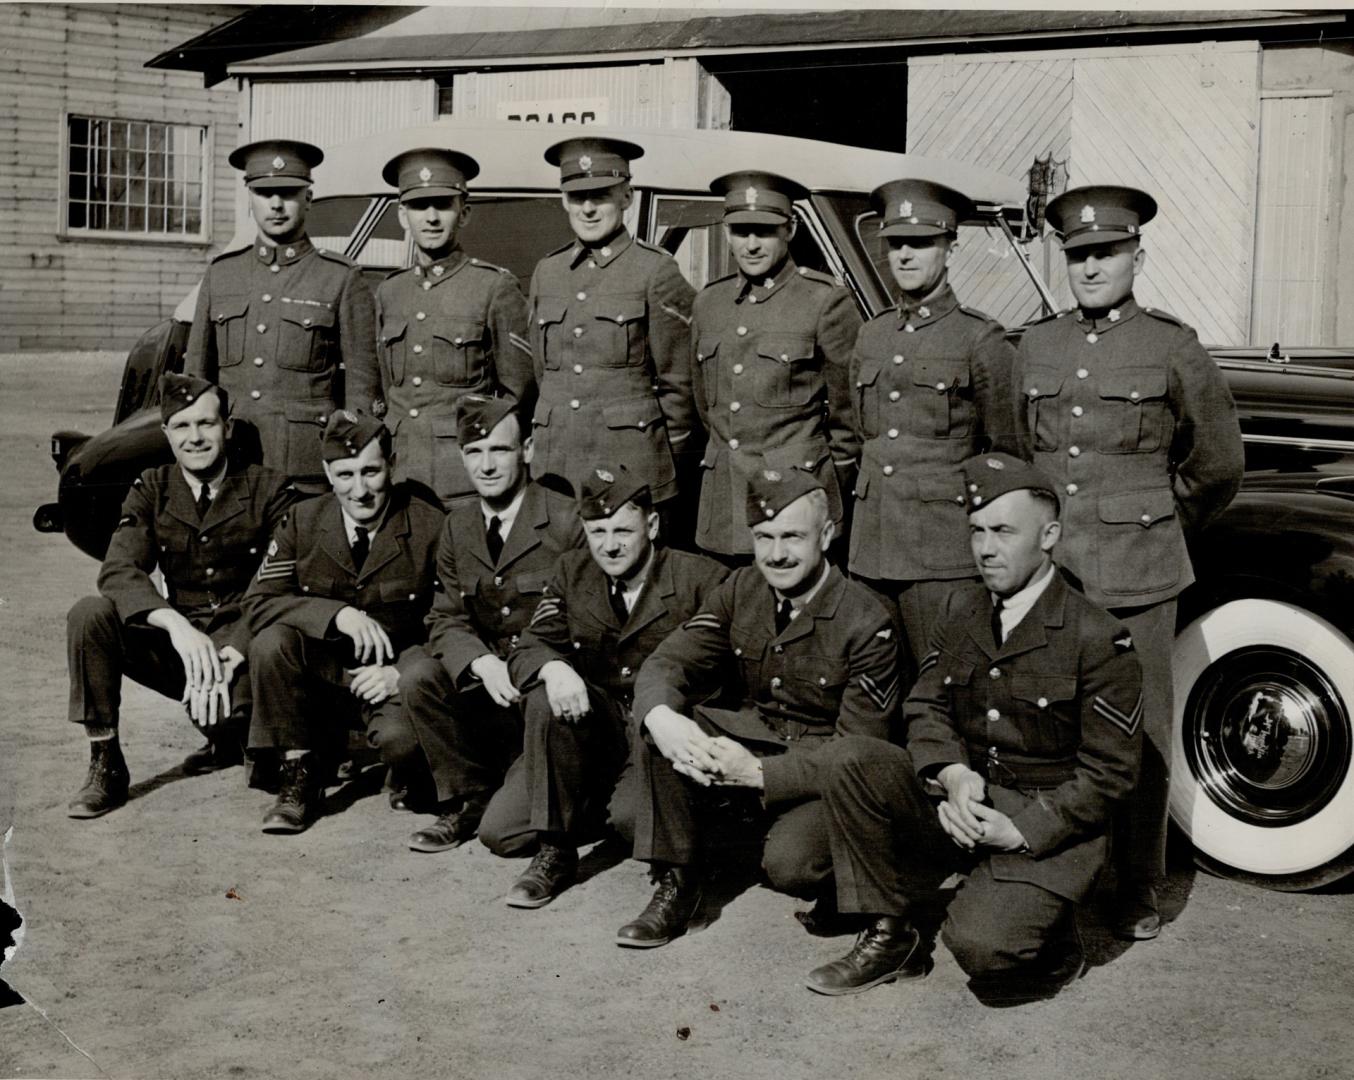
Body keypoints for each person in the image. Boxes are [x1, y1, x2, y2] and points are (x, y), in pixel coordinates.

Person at [804, 454, 1143, 1002]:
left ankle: (1055, 936)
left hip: (1044, 819)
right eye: (977, 531)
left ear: (1050, 535)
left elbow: (1112, 774)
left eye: (1004, 532)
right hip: (965, 801)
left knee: (986, 949)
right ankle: (891, 935)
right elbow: (926, 706)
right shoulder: (961, 606)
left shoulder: (1098, 637)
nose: (986, 549)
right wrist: (954, 773)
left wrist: (1023, 830)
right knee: (853, 759)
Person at [1012, 185, 1243, 939]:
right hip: (1054, 576)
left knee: (1137, 731)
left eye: (1106, 252)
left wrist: (1155, 523)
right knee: (1050, 728)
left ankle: (1141, 882)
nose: (1090, 266)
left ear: (1136, 256)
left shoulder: (1172, 346)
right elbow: (1019, 455)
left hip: (1139, 572)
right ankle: (1061, 870)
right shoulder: (1035, 346)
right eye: (1078, 254)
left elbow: (1217, 465)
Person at [617, 468, 898, 948]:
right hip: (756, 740)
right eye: (764, 537)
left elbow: (858, 751)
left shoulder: (867, 618)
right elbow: (667, 661)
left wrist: (759, 774)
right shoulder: (741, 588)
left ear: (827, 535)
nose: (776, 554)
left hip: (819, 773)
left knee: (791, 865)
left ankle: (816, 871)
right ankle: (680, 883)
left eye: (792, 536)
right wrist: (662, 720)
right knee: (659, 724)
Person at [480, 464, 728, 908]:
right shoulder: (572, 572)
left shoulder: (700, 578)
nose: (609, 546)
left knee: (633, 824)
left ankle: (598, 810)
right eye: (597, 532)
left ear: (651, 525)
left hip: (659, 739)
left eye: (622, 531)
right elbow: (529, 646)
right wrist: (555, 669)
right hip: (599, 731)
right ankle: (557, 847)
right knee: (502, 831)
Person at [64, 374, 297, 817]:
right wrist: (175, 626)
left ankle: (240, 737)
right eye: (183, 426)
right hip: (182, 650)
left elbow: (278, 584)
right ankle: (105, 762)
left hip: (243, 649)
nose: (195, 438)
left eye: (206, 424)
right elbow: (119, 570)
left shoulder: (268, 489)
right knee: (89, 615)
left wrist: (234, 650)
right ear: (166, 434)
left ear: (227, 427)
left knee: (249, 742)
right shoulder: (152, 487)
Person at [244, 410, 445, 834]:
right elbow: (259, 602)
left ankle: (394, 767)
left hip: (392, 673)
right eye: (345, 474)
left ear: (391, 464)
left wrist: (398, 673)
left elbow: (448, 618)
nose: (360, 489)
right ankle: (297, 778)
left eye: (371, 471)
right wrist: (337, 614)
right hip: (326, 676)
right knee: (270, 642)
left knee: (401, 744)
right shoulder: (303, 520)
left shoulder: (429, 524)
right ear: (326, 473)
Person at [399, 394, 583, 853]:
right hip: (494, 690)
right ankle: (468, 796)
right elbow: (444, 617)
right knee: (420, 674)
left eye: (499, 450)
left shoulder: (566, 520)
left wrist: (532, 665)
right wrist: (479, 662)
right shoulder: (458, 527)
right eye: (474, 453)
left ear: (528, 450)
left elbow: (588, 621)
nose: (486, 465)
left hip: (547, 693)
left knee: (504, 836)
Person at [848, 179, 1016, 678]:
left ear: (948, 245)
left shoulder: (979, 339)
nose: (904, 255)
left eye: (920, 243)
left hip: (942, 558)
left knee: (943, 690)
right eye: (896, 243)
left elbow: (1006, 452)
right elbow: (862, 434)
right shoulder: (871, 334)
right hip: (872, 550)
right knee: (872, 692)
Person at [184, 139, 380, 484]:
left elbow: (362, 387)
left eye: (288, 192)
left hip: (307, 467)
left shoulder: (340, 277)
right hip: (232, 462)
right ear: (250, 199)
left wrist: (347, 461)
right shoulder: (221, 274)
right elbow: (197, 380)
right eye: (264, 192)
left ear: (308, 198)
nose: (276, 204)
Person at [689, 171, 862, 561]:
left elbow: (849, 418)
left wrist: (825, 487)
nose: (751, 245)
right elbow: (704, 406)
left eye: (764, 231)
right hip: (724, 508)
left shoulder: (823, 301)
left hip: (795, 497)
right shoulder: (708, 303)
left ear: (791, 229)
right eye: (740, 230)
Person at [526, 137, 695, 508]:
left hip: (630, 468)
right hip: (557, 469)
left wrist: (669, 465)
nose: (587, 209)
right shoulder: (547, 272)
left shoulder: (654, 270)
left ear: (626, 196)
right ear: (563, 200)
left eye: (601, 195)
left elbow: (679, 386)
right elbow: (543, 374)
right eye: (576, 197)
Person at [375, 147, 533, 507]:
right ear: (402, 215)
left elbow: (517, 395)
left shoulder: (494, 288)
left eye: (443, 204)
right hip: (398, 478)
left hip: (462, 482)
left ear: (464, 212)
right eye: (419, 206)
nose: (431, 217)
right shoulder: (389, 292)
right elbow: (386, 393)